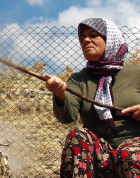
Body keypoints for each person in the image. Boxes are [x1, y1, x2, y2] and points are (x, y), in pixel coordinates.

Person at [45, 18, 140, 177]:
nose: (86, 40)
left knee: (127, 156)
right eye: (82, 38)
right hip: (100, 148)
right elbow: (68, 116)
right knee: (77, 137)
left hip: (135, 143)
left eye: (94, 35)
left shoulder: (136, 73)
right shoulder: (79, 79)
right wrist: (60, 93)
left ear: (110, 40)